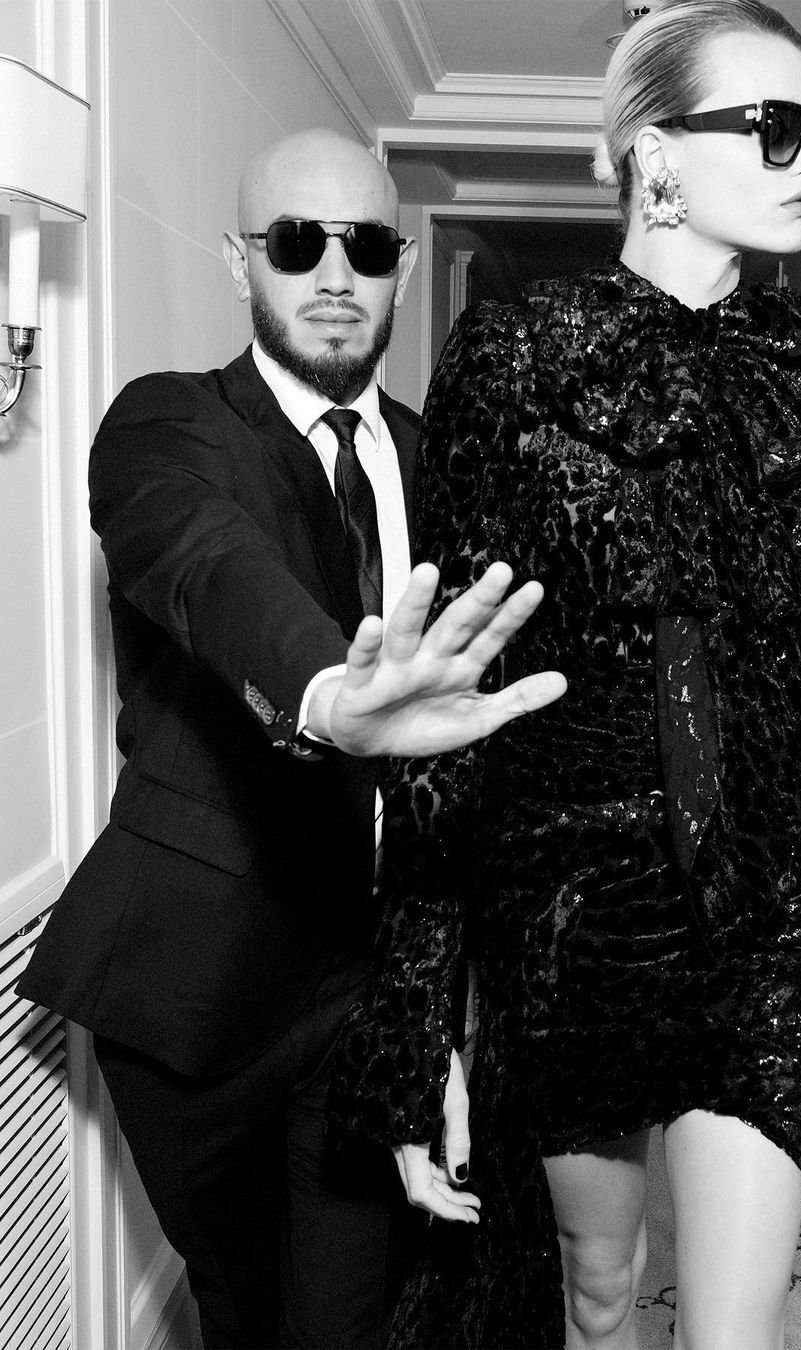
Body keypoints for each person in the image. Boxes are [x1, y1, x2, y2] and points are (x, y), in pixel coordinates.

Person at [325, 3, 801, 1347]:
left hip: (769, 917)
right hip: (573, 919)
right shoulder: (515, 364)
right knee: (597, 1289)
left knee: (734, 1330)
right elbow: (454, 708)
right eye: (776, 128)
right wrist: (423, 1028)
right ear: (656, 154)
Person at [16, 128, 564, 1350]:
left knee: (352, 1316)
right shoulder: (169, 426)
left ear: (401, 268)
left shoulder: (443, 460)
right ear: (239, 259)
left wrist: (448, 1010)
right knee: (247, 1312)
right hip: (204, 987)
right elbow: (206, 564)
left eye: (365, 246)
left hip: (375, 981)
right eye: (296, 241)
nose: (332, 274)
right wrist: (326, 691)